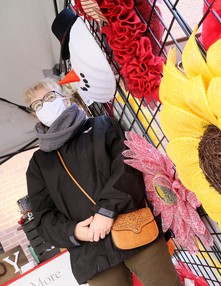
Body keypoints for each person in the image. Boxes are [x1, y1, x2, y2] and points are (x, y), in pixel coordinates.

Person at [24, 78, 182, 286]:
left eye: (50, 96)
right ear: (35, 114)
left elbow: (128, 166)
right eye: (38, 105)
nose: (45, 105)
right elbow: (43, 217)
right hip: (91, 254)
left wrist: (107, 212)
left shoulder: (102, 126)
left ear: (65, 97)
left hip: (135, 230)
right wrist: (73, 231)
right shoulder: (39, 163)